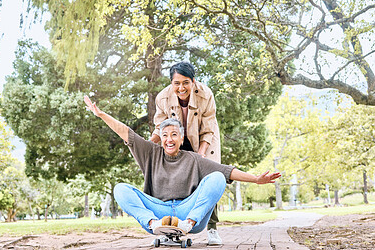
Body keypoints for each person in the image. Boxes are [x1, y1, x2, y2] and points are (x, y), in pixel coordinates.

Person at [84, 96, 281, 242]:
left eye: (174, 134)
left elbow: (227, 171)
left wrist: (256, 179)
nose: (169, 139)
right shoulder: (150, 153)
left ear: (181, 138)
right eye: (165, 135)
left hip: (188, 211)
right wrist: (101, 115)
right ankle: (154, 225)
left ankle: (187, 225)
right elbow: (125, 132)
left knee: (218, 178)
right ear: (160, 138)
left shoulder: (193, 159)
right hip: (159, 211)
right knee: (120, 189)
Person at [149, 61, 223, 244]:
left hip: (204, 139)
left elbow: (208, 128)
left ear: (193, 81)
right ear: (171, 83)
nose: (181, 88)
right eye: (177, 83)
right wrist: (147, 147)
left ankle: (212, 228)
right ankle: (167, 229)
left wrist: (201, 154)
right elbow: (160, 128)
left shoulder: (205, 95)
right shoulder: (162, 98)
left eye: (186, 83)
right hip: (177, 140)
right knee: (168, 179)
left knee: (210, 177)